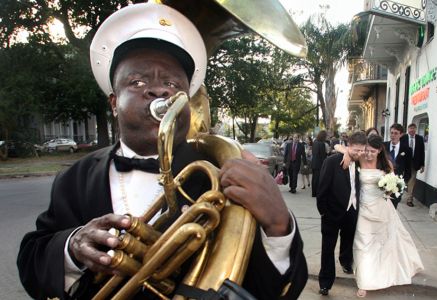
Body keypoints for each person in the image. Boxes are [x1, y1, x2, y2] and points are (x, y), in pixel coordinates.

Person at [16, 4, 308, 300]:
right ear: (114, 103)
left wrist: (279, 226)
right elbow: (32, 263)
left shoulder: (219, 173)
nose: (159, 91)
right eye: (138, 82)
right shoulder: (74, 179)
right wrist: (72, 246)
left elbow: (275, 289)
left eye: (171, 83)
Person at [350, 135, 423, 297]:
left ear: (380, 150)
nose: (368, 154)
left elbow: (393, 184)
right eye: (366, 151)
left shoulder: (386, 164)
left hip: (382, 208)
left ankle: (384, 273)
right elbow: (341, 149)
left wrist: (391, 188)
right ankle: (364, 281)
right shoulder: (359, 160)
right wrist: (347, 151)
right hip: (363, 209)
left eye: (372, 151)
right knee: (363, 244)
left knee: (384, 244)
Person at [316, 131, 368, 296]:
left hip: (351, 211)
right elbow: (322, 188)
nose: (359, 153)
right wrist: (324, 212)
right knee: (327, 249)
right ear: (349, 146)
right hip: (332, 213)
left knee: (348, 240)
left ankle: (346, 262)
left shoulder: (361, 163)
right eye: (356, 150)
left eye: (362, 150)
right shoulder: (332, 162)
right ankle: (325, 282)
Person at [383, 123, 412, 209]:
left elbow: (408, 169)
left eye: (396, 133)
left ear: (401, 134)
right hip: (383, 184)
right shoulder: (383, 146)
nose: (393, 135)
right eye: (391, 133)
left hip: (397, 186)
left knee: (393, 208)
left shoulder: (407, 149)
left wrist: (402, 184)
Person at [400, 123, 425, 207]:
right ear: (408, 129)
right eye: (410, 128)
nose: (412, 130)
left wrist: (422, 164)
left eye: (413, 128)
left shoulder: (420, 139)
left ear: (416, 129)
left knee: (412, 181)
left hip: (414, 164)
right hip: (403, 163)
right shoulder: (403, 138)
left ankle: (409, 199)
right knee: (402, 180)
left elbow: (422, 152)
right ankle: (398, 195)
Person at [311, 130, 327, 197]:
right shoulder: (322, 144)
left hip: (314, 162)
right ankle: (317, 192)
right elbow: (323, 156)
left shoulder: (315, 142)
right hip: (319, 163)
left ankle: (313, 192)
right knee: (318, 179)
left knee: (314, 178)